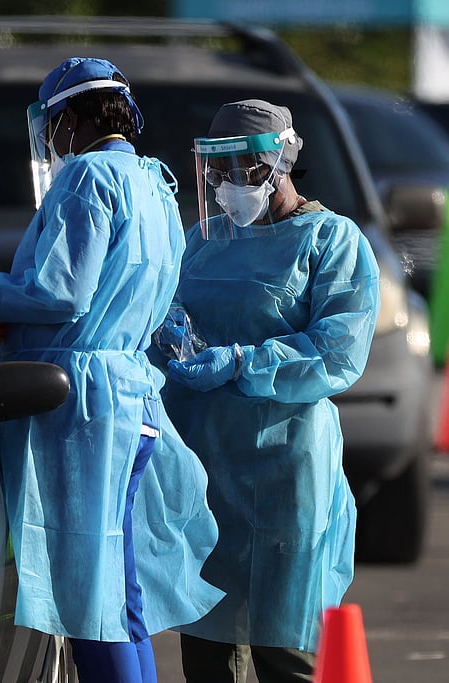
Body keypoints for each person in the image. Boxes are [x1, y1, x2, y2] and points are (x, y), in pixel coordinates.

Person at [0, 57, 221, 683]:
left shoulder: (89, 177)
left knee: (89, 601)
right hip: (129, 400)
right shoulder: (154, 182)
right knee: (118, 594)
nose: (50, 141)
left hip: (84, 410)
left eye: (51, 126)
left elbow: (59, 293)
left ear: (68, 119)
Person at [158, 99, 381, 682]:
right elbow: (162, 322)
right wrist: (167, 333)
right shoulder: (202, 242)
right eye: (217, 170)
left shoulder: (330, 240)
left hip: (285, 471)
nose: (228, 182)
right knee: (207, 653)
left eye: (242, 167)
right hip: (205, 471)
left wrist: (242, 361)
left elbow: (337, 352)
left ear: (280, 162)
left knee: (286, 651)